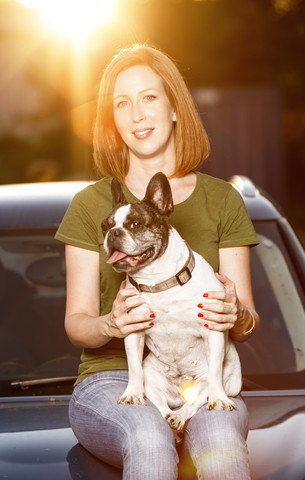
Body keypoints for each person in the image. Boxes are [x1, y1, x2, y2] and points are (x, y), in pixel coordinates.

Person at [55, 44, 260, 480]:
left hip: (203, 374)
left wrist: (235, 313)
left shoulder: (223, 199)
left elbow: (246, 322)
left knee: (221, 442)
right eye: (122, 104)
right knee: (148, 436)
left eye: (149, 98)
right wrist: (111, 324)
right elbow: (77, 322)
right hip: (111, 377)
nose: (136, 115)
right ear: (112, 121)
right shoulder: (90, 205)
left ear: (174, 108)